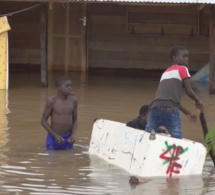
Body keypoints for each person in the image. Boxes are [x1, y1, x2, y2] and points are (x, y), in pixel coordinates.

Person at [145, 45, 204, 139]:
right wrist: (198, 100)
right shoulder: (182, 68)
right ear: (175, 58)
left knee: (148, 135)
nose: (187, 59)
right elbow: (189, 91)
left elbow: (170, 100)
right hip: (170, 109)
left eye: (187, 56)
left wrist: (187, 113)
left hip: (155, 108)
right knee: (176, 137)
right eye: (184, 56)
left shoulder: (165, 72)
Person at [41, 76, 78, 150]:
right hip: (53, 138)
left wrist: (73, 135)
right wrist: (55, 135)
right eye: (67, 86)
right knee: (50, 158)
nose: (70, 88)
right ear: (58, 88)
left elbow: (75, 120)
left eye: (71, 85)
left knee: (68, 159)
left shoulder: (74, 100)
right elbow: (43, 121)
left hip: (68, 138)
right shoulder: (52, 101)